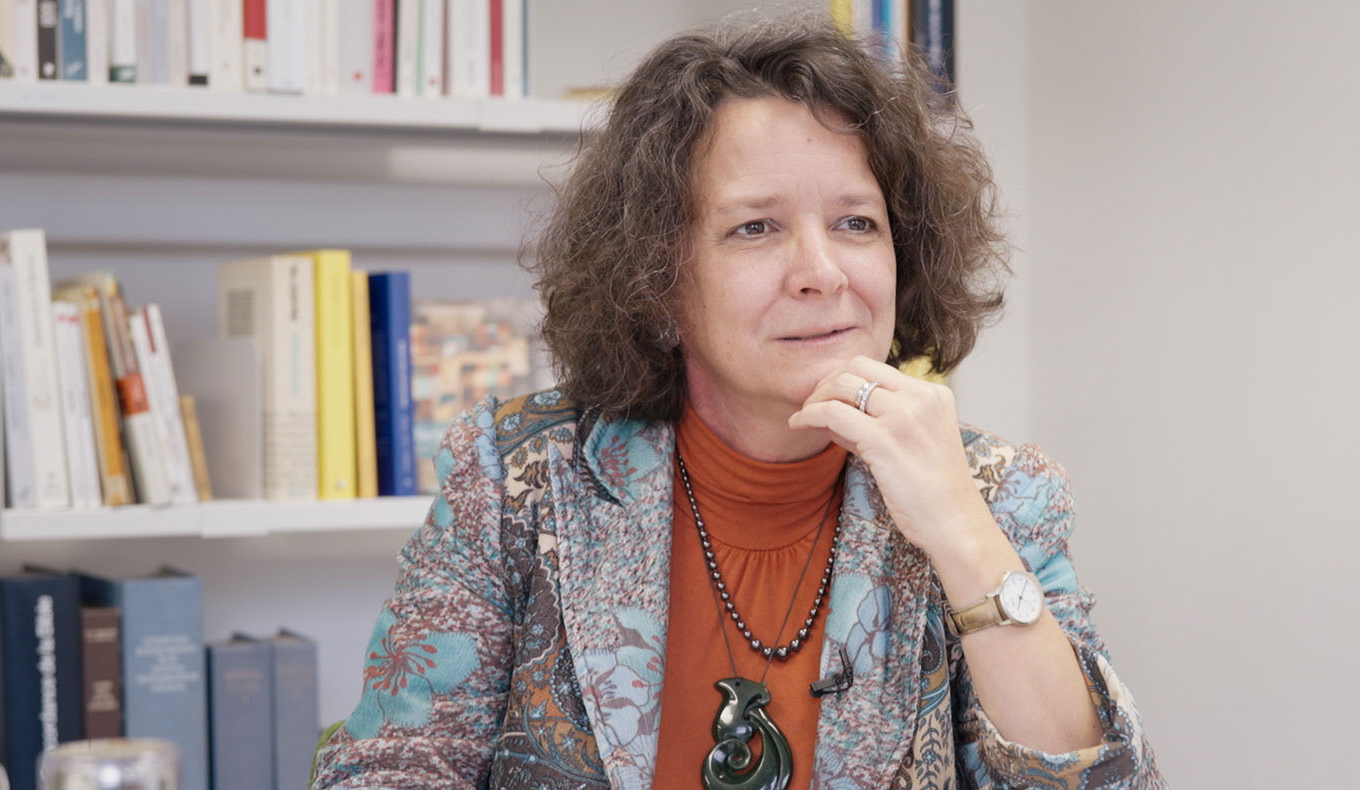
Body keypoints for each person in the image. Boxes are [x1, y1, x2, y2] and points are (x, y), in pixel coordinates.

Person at [313, 13, 1167, 790]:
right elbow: (386, 770)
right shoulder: (518, 481)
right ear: (656, 276)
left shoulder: (999, 493)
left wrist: (961, 531)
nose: (821, 273)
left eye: (856, 224)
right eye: (754, 227)